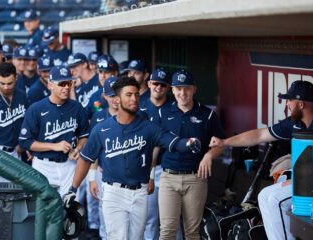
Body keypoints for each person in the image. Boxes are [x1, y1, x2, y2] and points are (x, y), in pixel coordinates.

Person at [64, 76, 201, 240]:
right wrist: (73, 188)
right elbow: (85, 159)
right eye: (128, 95)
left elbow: (172, 141)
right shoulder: (102, 129)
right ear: (118, 99)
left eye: (136, 94)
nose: (134, 98)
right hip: (113, 192)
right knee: (118, 237)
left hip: (140, 193)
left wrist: (189, 143)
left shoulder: (148, 127)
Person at [209, 80, 313, 240]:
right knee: (264, 196)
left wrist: (301, 180)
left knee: (275, 200)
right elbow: (259, 135)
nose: (287, 104)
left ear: (300, 104)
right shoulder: (295, 123)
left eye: (289, 100)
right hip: (305, 182)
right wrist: (225, 142)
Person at [158, 69, 224, 240]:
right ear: (172, 90)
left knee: (192, 233)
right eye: (178, 88)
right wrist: (149, 175)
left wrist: (209, 156)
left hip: (196, 178)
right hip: (168, 177)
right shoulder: (163, 113)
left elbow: (220, 145)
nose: (182, 93)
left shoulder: (207, 114)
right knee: (167, 231)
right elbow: (156, 145)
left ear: (194, 89)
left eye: (186, 88)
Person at [19, 65, 89, 196]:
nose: (66, 87)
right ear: (50, 85)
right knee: (46, 210)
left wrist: (78, 149)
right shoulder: (36, 108)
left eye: (69, 83)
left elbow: (84, 135)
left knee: (71, 208)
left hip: (70, 165)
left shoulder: (77, 107)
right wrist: (54, 146)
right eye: (62, 83)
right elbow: (25, 142)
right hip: (44, 166)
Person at [141, 68, 173, 240]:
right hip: (146, 168)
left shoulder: (175, 108)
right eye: (155, 83)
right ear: (149, 84)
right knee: (150, 218)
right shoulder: (140, 106)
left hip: (169, 169)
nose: (158, 87)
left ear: (168, 87)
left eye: (163, 84)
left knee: (171, 220)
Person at [87, 76, 119, 239]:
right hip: (102, 170)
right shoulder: (98, 117)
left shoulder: (133, 116)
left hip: (125, 174)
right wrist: (92, 177)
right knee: (103, 210)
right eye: (111, 95)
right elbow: (93, 149)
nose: (115, 99)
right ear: (104, 96)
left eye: (118, 94)